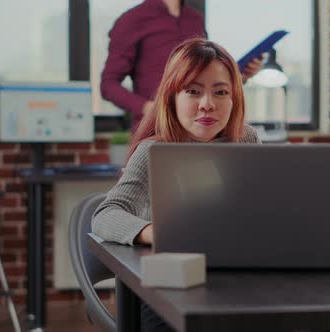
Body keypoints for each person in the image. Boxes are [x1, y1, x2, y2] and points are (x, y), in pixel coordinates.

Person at [93, 37, 260, 332]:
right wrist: (155, 231)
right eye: (193, 91)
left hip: (232, 275)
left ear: (234, 98)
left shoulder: (246, 140)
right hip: (168, 288)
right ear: (172, 97)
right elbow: (105, 216)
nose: (208, 104)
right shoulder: (153, 149)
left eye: (220, 92)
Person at [100, 0, 263, 130]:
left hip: (198, 132)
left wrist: (240, 76)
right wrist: (149, 108)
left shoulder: (195, 19)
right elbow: (108, 85)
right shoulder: (132, 20)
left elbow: (203, 73)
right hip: (155, 130)